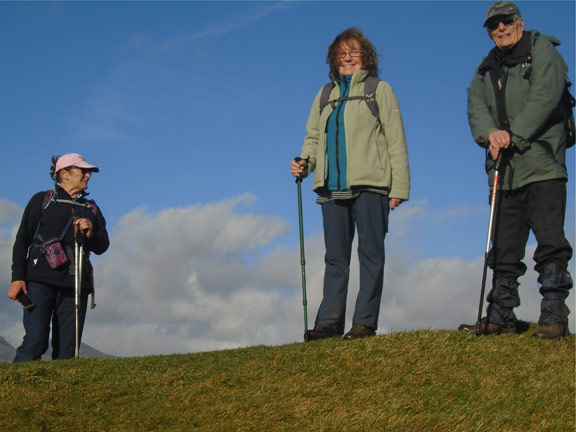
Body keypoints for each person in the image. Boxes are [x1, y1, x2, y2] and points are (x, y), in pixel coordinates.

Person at [460, 2, 573, 339]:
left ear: (519, 22)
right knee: (505, 247)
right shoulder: (485, 69)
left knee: (550, 243)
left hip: (543, 163)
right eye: (493, 25)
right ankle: (500, 315)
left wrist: (515, 133)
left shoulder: (543, 52)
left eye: (506, 21)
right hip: (504, 169)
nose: (501, 28)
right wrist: (490, 134)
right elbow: (475, 107)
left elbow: (546, 96)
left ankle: (554, 316)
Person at [290, 28, 410, 341]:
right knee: (335, 258)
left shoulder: (379, 89)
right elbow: (313, 137)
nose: (347, 58)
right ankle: (329, 324)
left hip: (372, 186)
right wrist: (304, 162)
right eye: (341, 54)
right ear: (333, 59)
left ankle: (364, 324)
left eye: (353, 52)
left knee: (371, 255)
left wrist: (399, 188)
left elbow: (396, 139)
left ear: (365, 57)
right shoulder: (325, 94)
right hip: (331, 186)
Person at [8, 153, 110, 361]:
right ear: (64, 173)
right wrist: (17, 278)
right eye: (83, 171)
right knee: (35, 341)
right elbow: (22, 241)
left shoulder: (91, 209)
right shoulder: (41, 201)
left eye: (89, 172)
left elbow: (102, 246)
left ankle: (63, 393)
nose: (88, 176)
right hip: (39, 281)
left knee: (67, 350)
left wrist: (90, 232)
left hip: (76, 284)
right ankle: (18, 388)